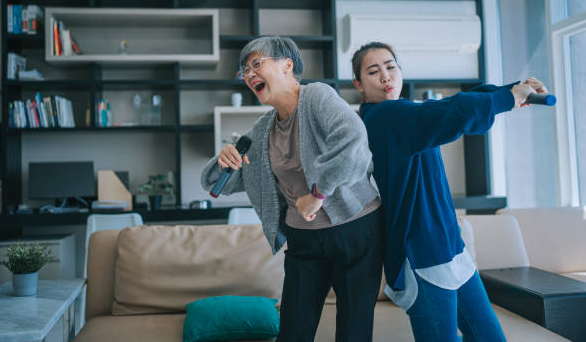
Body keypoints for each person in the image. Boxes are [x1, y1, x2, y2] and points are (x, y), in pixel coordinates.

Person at [351, 41, 548, 342]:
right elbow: (452, 112)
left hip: (450, 245)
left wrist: (515, 88)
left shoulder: (408, 112)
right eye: (373, 72)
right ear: (359, 84)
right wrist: (508, 96)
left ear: (401, 70)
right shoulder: (384, 118)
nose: (386, 77)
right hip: (420, 253)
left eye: (391, 67)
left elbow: (453, 104)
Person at [201, 36, 383, 341]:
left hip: (355, 230)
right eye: (245, 72)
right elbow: (218, 183)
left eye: (256, 65)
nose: (249, 75)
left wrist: (318, 194)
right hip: (304, 241)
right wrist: (222, 161)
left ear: (287, 65)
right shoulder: (262, 130)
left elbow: (354, 143)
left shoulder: (317, 97)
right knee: (293, 331)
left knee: (353, 330)